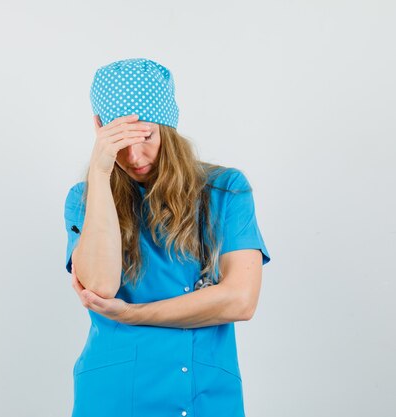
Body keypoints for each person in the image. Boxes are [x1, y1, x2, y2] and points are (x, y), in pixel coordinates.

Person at [63, 57, 271, 417]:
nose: (133, 156)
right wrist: (99, 173)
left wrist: (132, 313)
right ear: (99, 129)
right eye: (119, 141)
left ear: (168, 126)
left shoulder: (224, 191)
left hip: (204, 395)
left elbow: (240, 300)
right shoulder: (84, 200)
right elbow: (99, 288)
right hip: (113, 397)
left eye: (145, 137)